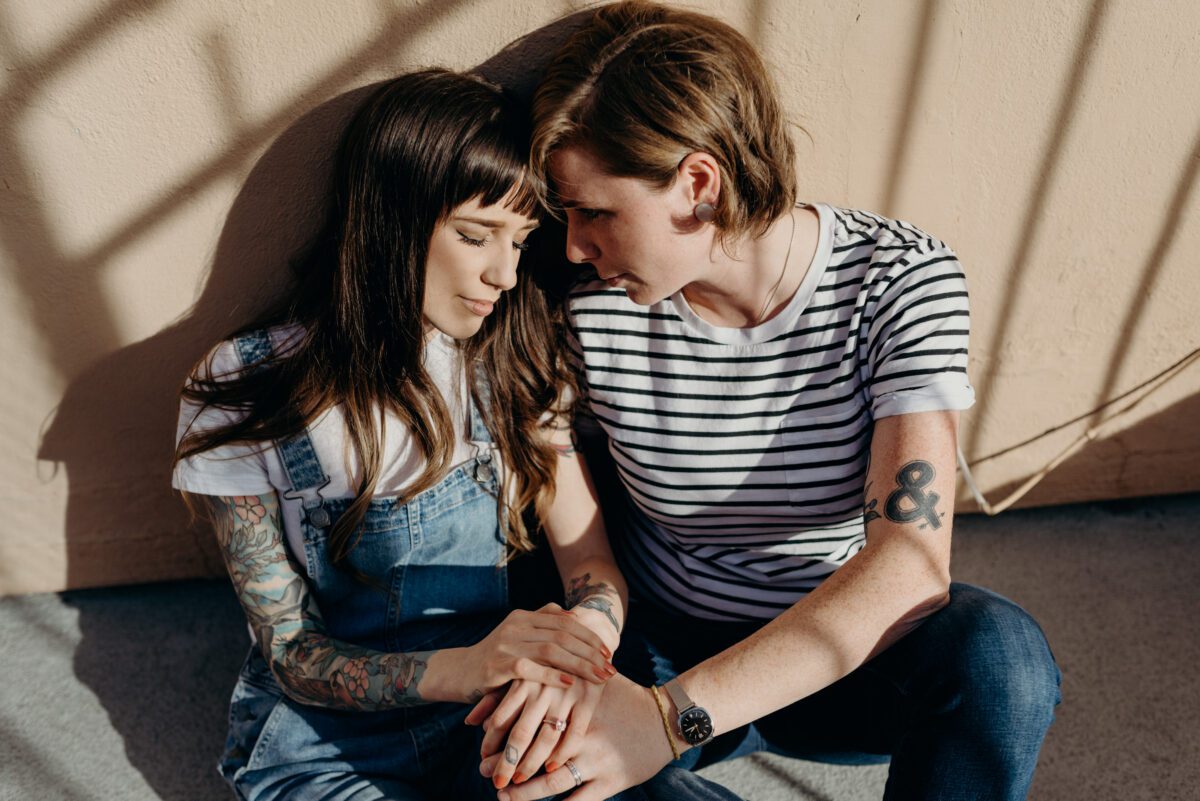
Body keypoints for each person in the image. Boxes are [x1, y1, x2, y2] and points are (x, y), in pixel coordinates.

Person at [482, 3, 1062, 800]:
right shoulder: (578, 302)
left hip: (838, 651)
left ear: (697, 183)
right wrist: (605, 666)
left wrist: (669, 720)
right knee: (544, 772)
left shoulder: (898, 281)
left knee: (1003, 659)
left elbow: (906, 570)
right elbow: (581, 554)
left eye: (596, 212)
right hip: (651, 646)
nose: (575, 243)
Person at [171, 69, 731, 801]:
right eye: (475, 235)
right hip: (328, 746)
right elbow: (290, 651)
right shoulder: (254, 384)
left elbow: (590, 562)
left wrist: (576, 653)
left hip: (496, 714)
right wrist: (465, 665)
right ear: (392, 219)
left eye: (522, 241)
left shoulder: (514, 360)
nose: (504, 272)